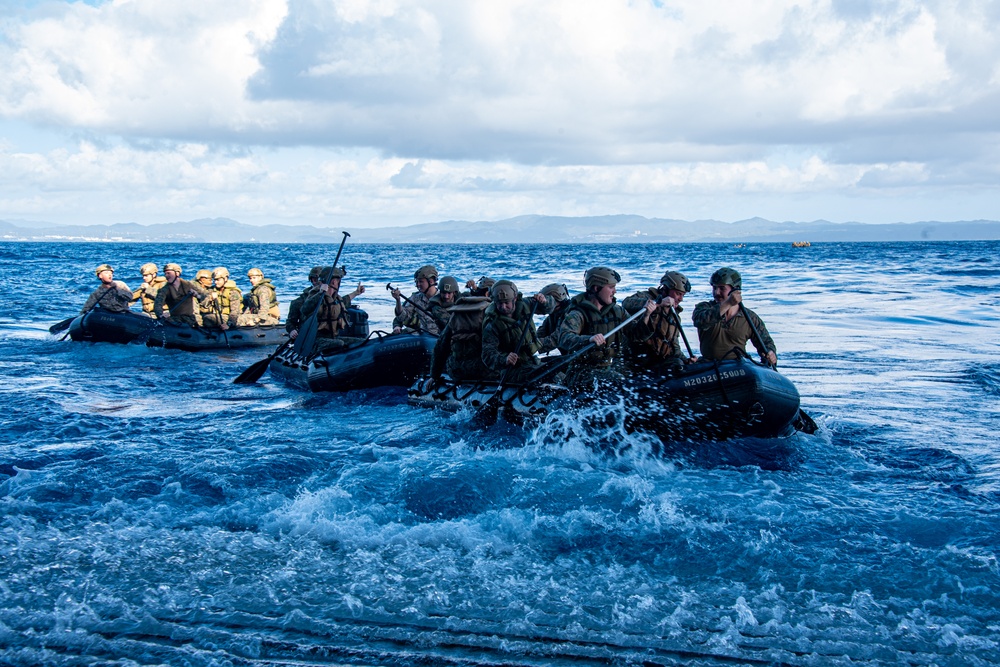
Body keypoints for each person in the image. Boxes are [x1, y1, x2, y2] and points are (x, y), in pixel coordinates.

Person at [557, 266, 652, 387]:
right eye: (611, 287)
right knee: (617, 382)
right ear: (596, 288)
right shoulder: (578, 314)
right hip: (581, 372)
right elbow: (564, 338)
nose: (615, 291)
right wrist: (589, 339)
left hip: (607, 367)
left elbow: (637, 335)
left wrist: (646, 316)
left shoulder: (618, 311)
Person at [692, 267, 777, 366]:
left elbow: (766, 343)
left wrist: (771, 354)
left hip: (738, 366)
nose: (716, 293)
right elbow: (701, 321)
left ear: (735, 290)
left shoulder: (750, 318)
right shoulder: (704, 308)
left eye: (722, 288)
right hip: (709, 366)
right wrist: (727, 303)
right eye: (714, 288)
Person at [622, 270, 698, 370]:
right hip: (635, 360)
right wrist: (658, 303)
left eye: (683, 295)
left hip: (657, 363)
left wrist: (686, 360)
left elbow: (674, 347)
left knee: (678, 363)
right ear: (665, 289)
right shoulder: (646, 297)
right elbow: (626, 303)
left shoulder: (674, 317)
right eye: (678, 294)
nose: (681, 299)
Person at [481, 280, 547, 384]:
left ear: (515, 299)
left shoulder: (527, 305)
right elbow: (487, 354)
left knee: (557, 373)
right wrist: (504, 359)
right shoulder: (492, 324)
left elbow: (549, 308)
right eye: (499, 303)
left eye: (506, 303)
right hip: (509, 369)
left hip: (531, 361)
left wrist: (544, 301)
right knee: (537, 376)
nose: (503, 307)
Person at [296, 267, 366, 354]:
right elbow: (305, 310)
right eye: (338, 280)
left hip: (333, 337)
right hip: (316, 339)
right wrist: (320, 293)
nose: (339, 283)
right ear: (333, 281)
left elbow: (344, 302)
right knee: (339, 343)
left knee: (363, 341)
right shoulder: (316, 294)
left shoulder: (336, 297)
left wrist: (356, 293)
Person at [429, 293, 493, 382]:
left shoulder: (455, 315)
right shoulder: (488, 314)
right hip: (481, 370)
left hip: (456, 370)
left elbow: (440, 346)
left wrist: (434, 376)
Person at [391, 264, 439, 335]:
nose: (418, 285)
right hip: (423, 337)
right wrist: (398, 300)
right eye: (416, 282)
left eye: (421, 281)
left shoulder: (444, 297)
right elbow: (402, 317)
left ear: (431, 281)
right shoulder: (416, 298)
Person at [285, 266, 324, 337]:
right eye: (317, 279)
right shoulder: (299, 301)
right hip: (309, 336)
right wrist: (292, 330)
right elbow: (290, 322)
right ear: (313, 280)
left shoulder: (331, 297)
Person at [535, 283, 571, 353]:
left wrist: (533, 345)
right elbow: (540, 333)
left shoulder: (571, 314)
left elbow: (557, 338)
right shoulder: (553, 316)